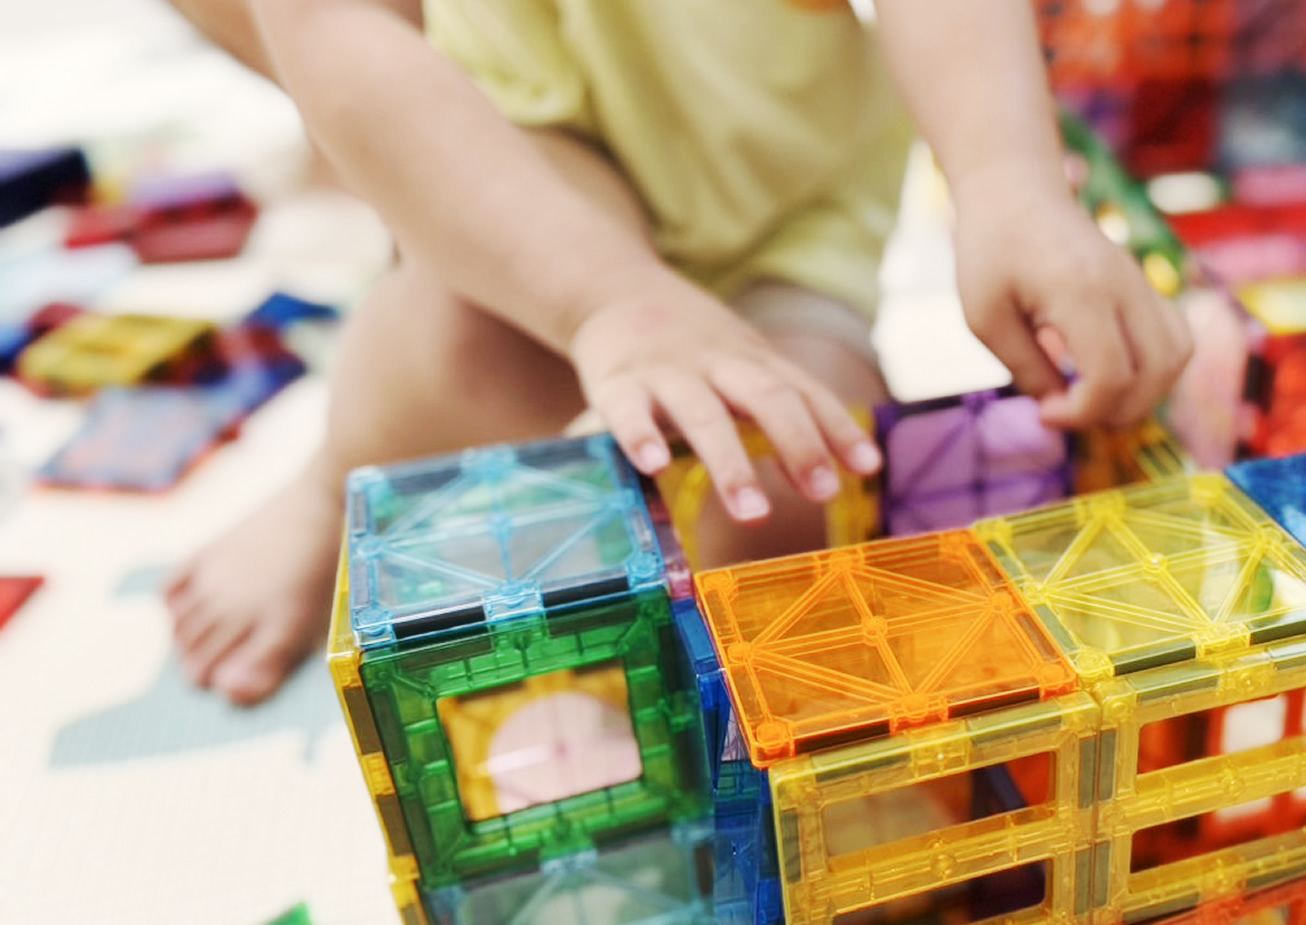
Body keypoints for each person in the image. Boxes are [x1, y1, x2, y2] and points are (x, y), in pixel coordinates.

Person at [160, 0, 1193, 705]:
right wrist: (608, 300)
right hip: (517, 157)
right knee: (445, 354)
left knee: (794, 492)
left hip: (784, 201)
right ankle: (326, 488)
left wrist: (1007, 178)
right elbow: (337, 34)